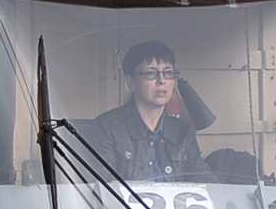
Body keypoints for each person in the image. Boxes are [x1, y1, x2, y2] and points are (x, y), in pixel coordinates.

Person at [77, 40, 210, 181]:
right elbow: (105, 186)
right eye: (151, 73)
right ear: (131, 83)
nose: (162, 80)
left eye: (168, 72)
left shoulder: (183, 131)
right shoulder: (107, 127)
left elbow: (205, 181)